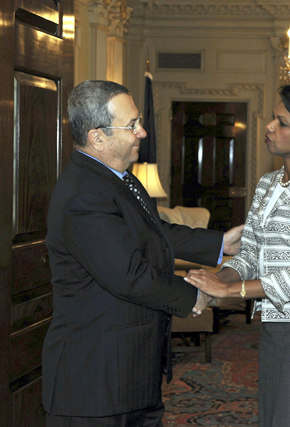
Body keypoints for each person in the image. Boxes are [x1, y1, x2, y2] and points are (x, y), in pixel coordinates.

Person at [42, 80, 243, 427]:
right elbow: (128, 274)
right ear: (97, 137)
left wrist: (220, 244)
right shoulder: (82, 196)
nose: (143, 132)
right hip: (95, 383)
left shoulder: (119, 178)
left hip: (129, 374)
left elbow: (154, 231)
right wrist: (195, 295)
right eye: (132, 125)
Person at [185, 84, 290, 426]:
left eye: (282, 122)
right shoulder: (267, 184)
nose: (269, 127)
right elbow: (249, 255)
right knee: (276, 415)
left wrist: (229, 291)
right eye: (272, 119)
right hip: (277, 318)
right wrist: (218, 281)